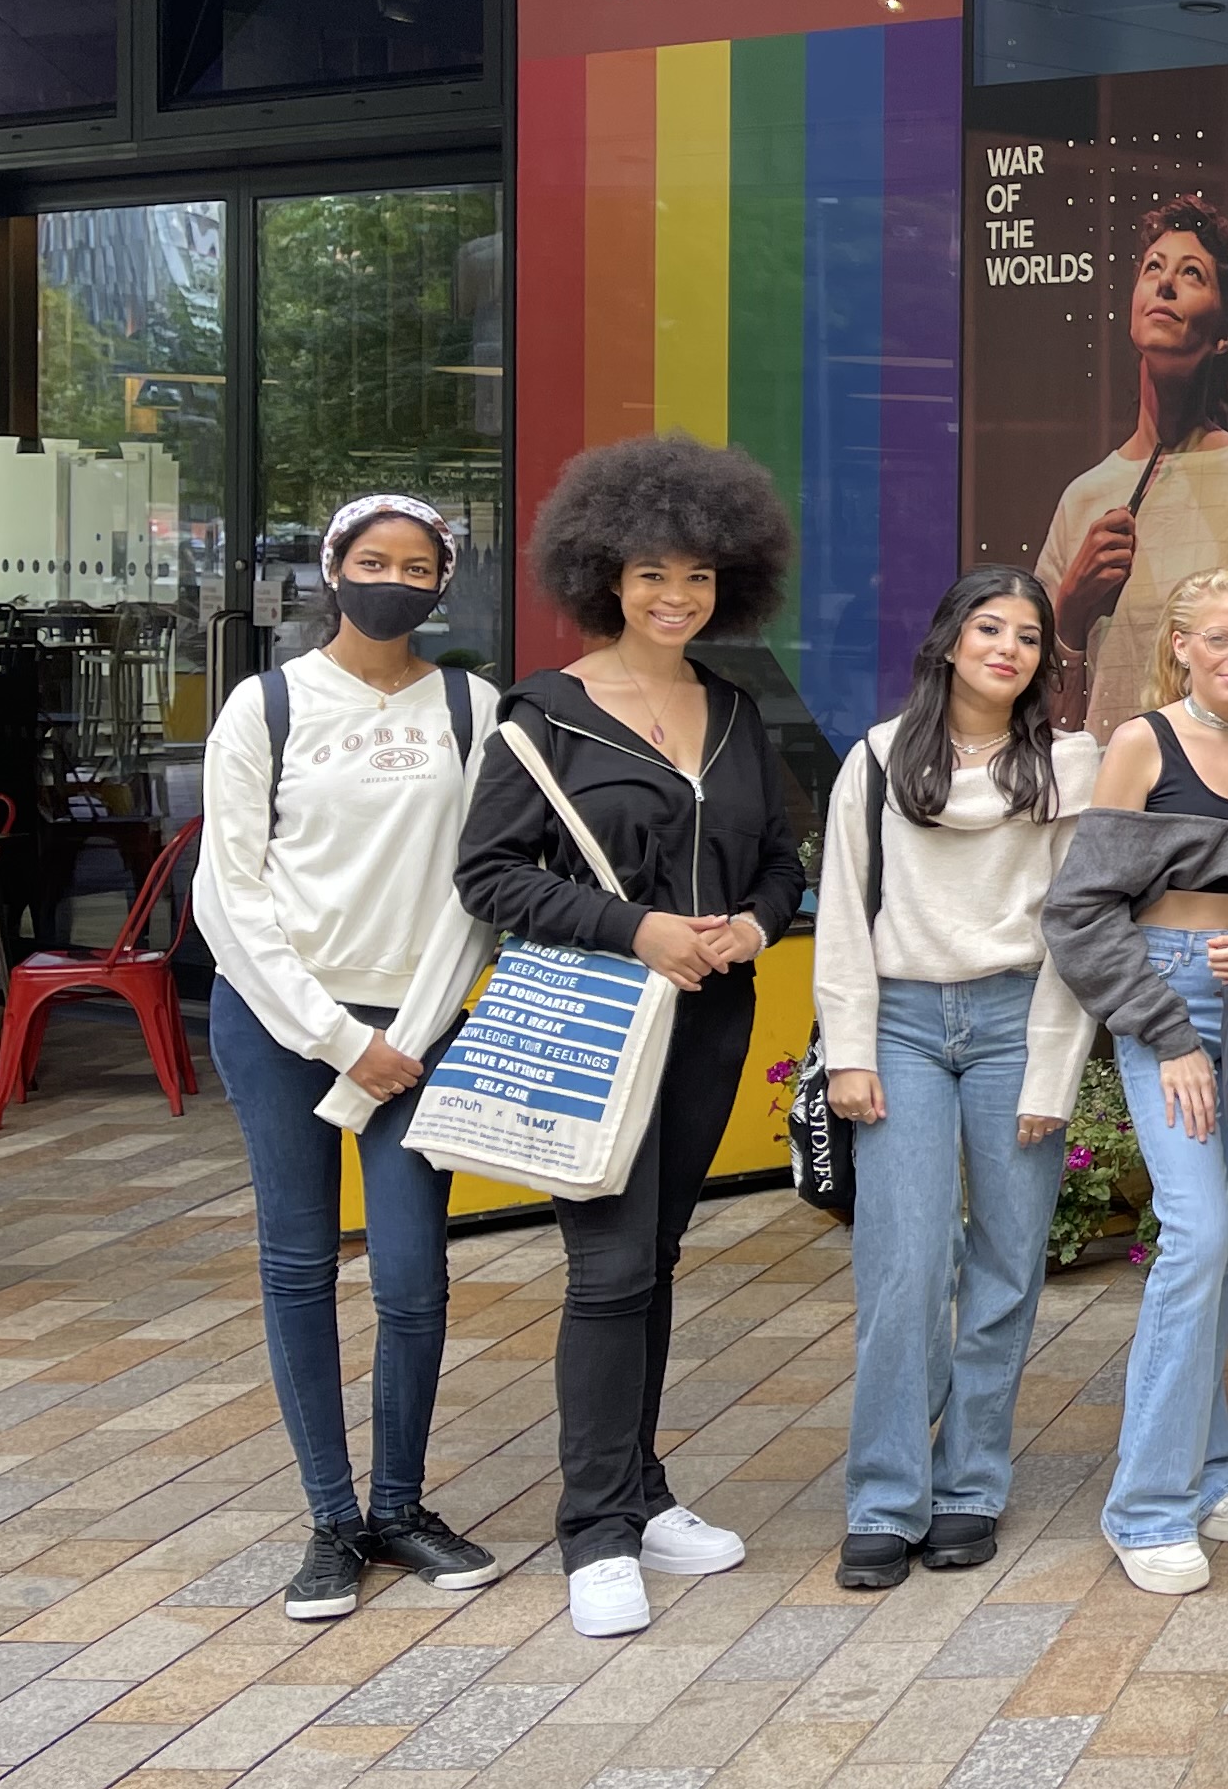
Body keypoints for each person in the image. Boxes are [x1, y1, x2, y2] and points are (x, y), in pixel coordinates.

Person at [455, 436, 804, 1641]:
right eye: (654, 573)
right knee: (607, 1273)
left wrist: (757, 927)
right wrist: (638, 926)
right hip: (602, 1021)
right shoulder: (543, 717)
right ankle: (593, 1530)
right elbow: (489, 876)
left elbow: (778, 861)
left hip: (711, 1022)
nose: (676, 596)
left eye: (699, 578)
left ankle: (644, 1496)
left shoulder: (737, 709)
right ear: (606, 574)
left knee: (654, 1258)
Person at [196, 494, 503, 1623]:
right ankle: (331, 1519)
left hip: (419, 1026)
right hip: (283, 1024)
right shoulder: (263, 707)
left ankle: (402, 1506)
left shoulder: (472, 706)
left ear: (443, 582)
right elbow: (230, 898)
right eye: (371, 560)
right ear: (333, 570)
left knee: (416, 1275)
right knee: (299, 1265)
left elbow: (483, 887)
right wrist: (337, 1039)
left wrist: (405, 1038)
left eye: (416, 565)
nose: (393, 578)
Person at [812, 569, 1102, 1592]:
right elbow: (843, 906)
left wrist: (1053, 1073)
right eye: (989, 627)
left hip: (1015, 1022)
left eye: (1029, 635)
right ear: (948, 640)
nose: (1009, 648)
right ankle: (886, 1496)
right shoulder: (882, 759)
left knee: (1010, 1263)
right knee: (904, 1262)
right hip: (898, 1023)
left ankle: (971, 1482)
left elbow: (1081, 926)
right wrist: (847, 1051)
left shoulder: (1073, 764)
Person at [1042, 566, 1228, 1594]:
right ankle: (1147, 1505)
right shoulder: (1141, 745)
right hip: (1169, 1000)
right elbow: (1079, 914)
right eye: (1219, 639)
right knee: (1198, 1237)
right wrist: (1168, 1037)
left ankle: (1207, 1470)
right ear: (1180, 645)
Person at [1034, 200, 1228, 737]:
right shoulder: (1083, 499)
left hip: (1224, 803)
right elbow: (1038, 711)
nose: (1165, 284)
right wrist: (1069, 611)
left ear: (1224, 331)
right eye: (1153, 268)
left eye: (1191, 274)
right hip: (1104, 800)